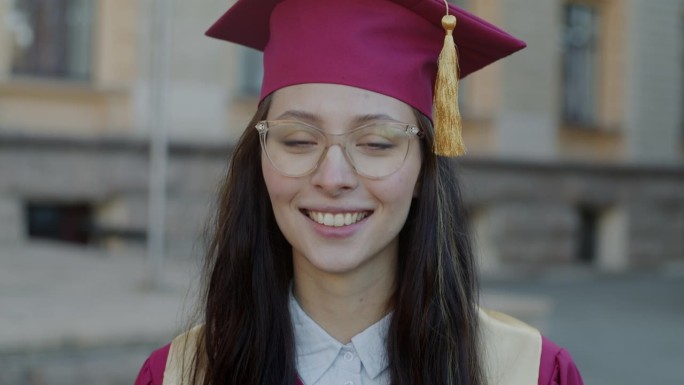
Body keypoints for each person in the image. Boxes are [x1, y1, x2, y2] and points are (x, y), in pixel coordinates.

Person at [135, 0, 584, 384]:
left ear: (424, 169)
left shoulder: (528, 373)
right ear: (260, 160)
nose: (333, 178)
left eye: (376, 143)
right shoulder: (179, 374)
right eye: (297, 140)